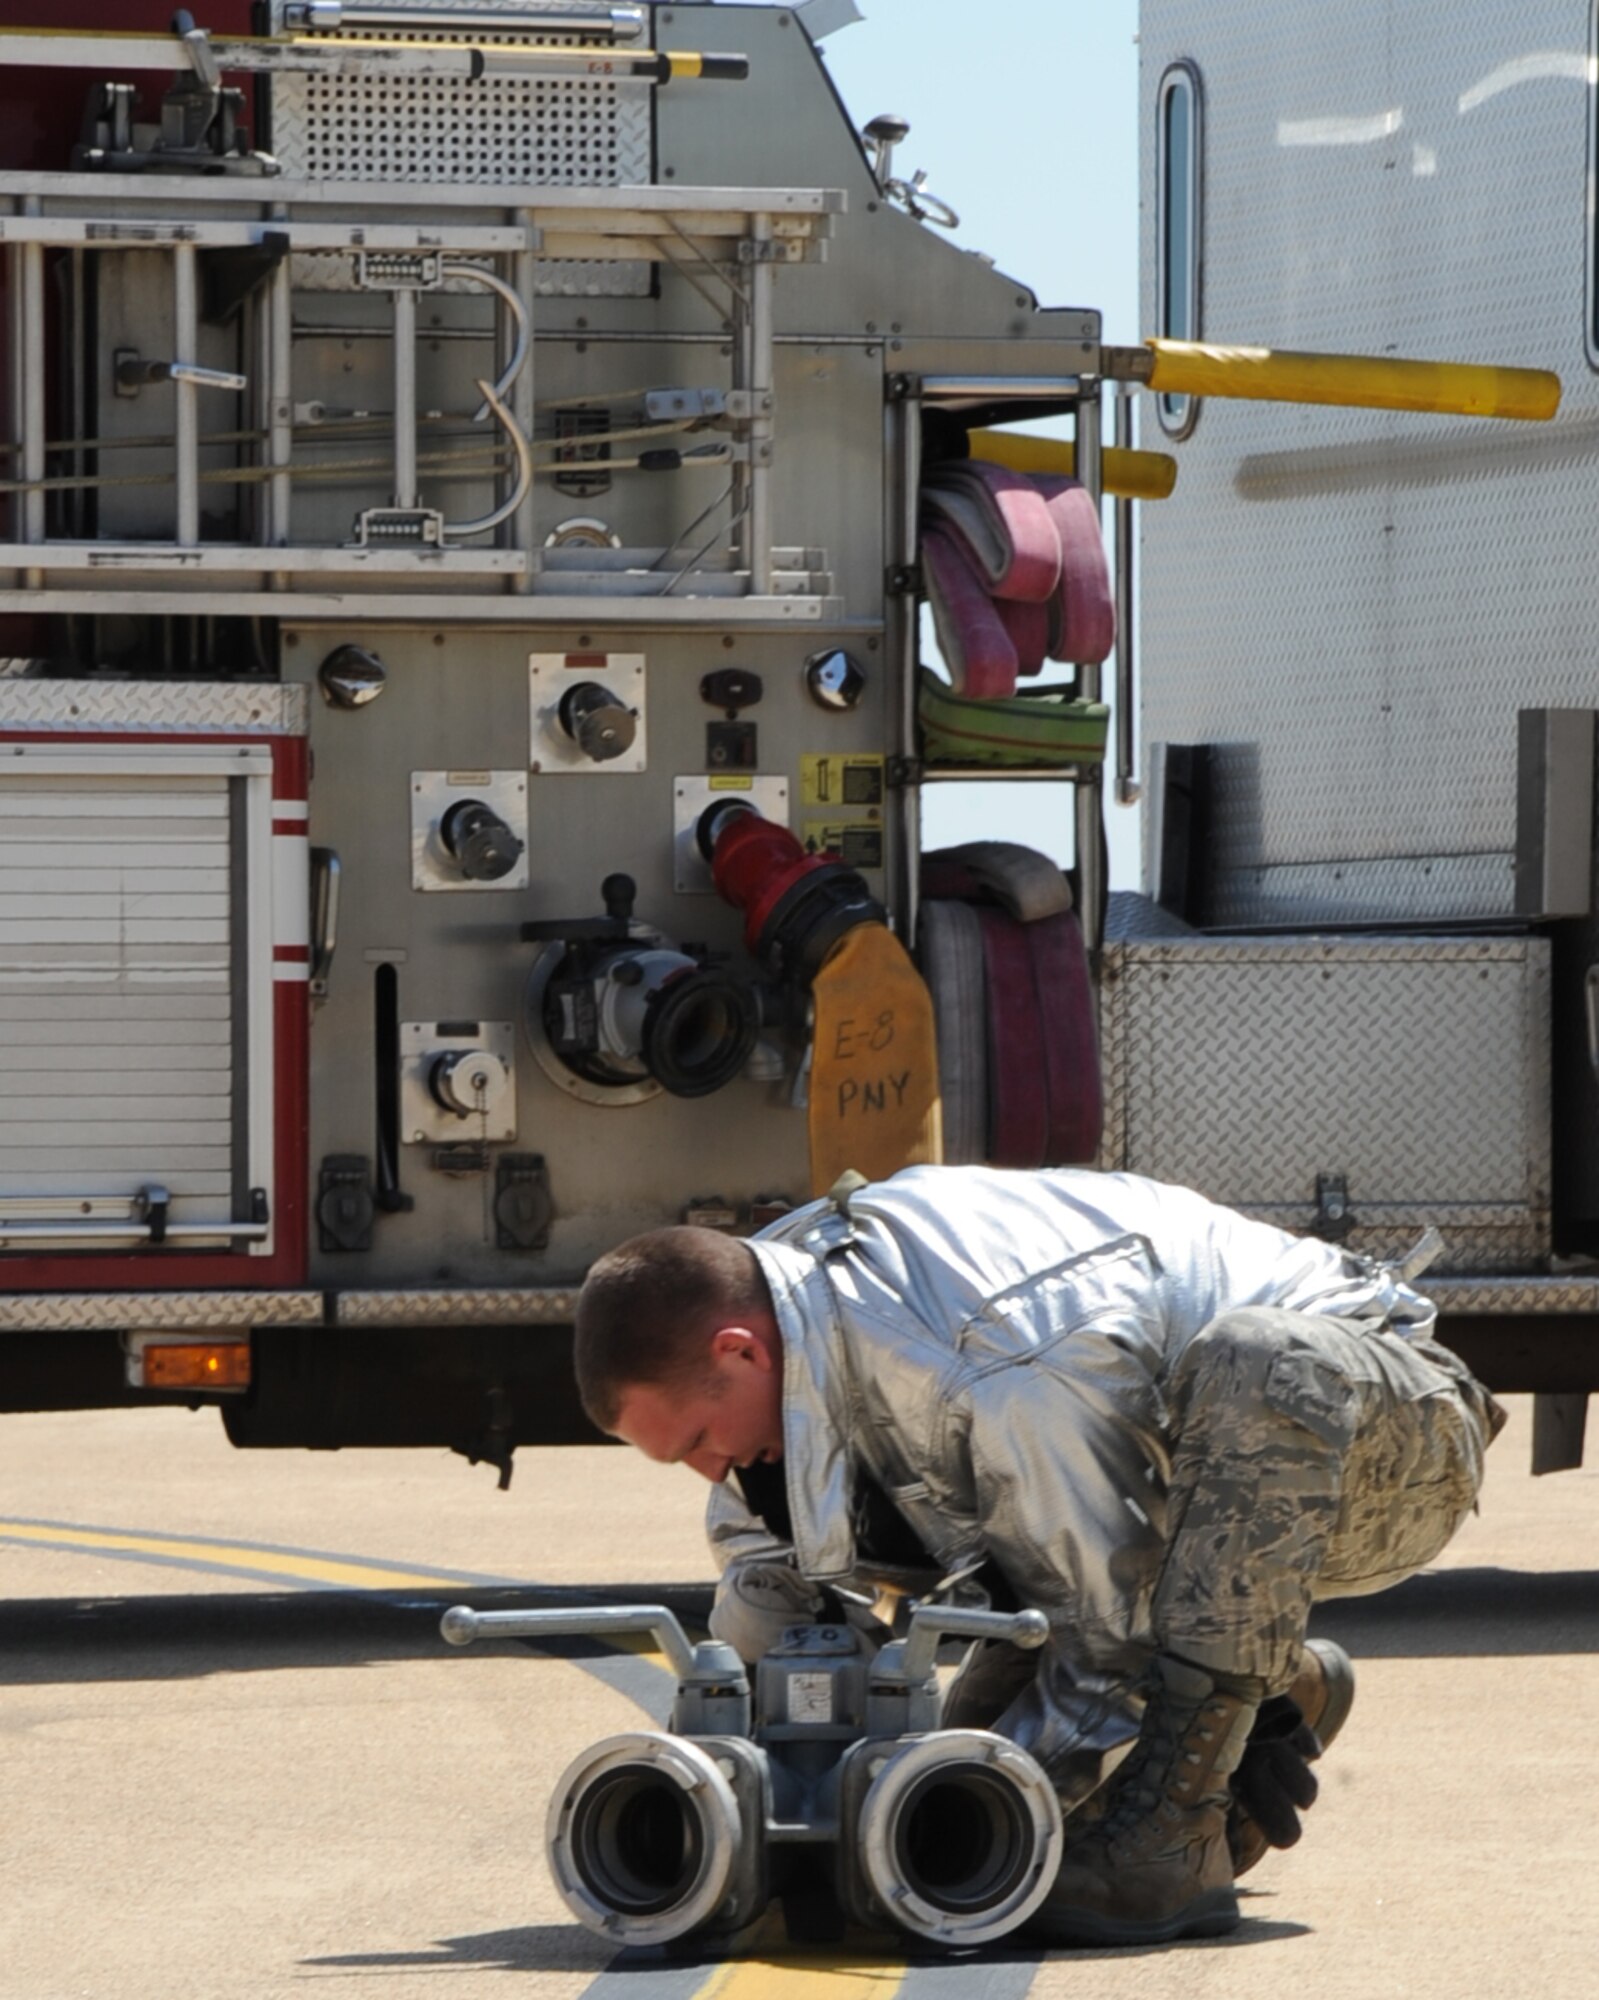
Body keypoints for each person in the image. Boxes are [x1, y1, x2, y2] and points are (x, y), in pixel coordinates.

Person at [573, 1165, 1503, 1946]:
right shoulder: (787, 1313)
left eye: (699, 1439)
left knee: (1255, 1361)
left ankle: (1170, 1842)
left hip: (1375, 1441)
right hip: (1146, 1501)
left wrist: (962, 1812)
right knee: (948, 1812)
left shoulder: (1006, 1356)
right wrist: (753, 1803)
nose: (710, 1469)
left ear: (738, 1351)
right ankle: (1261, 1688)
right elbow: (770, 1593)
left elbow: (1104, 1632)